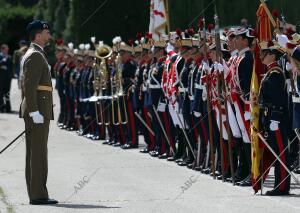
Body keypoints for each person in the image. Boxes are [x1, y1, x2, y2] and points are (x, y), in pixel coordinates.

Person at [19, 20, 58, 205]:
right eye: (46, 32)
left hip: (40, 110)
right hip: (37, 112)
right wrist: (34, 111)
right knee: (38, 153)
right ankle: (38, 195)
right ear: (38, 35)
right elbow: (29, 86)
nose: (49, 35)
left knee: (38, 152)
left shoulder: (37, 53)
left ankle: (38, 192)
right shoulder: (35, 55)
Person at [258, 41, 290, 196]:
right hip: (270, 118)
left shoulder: (275, 74)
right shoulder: (271, 72)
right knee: (277, 152)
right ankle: (280, 183)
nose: (261, 55)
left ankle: (282, 186)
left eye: (264, 52)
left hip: (276, 120)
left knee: (281, 152)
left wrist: (275, 118)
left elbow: (278, 100)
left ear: (272, 55)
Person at [0, 44, 13, 113]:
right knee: (0, 93)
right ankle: (1, 108)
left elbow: (11, 67)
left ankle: (8, 108)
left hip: (8, 79)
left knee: (7, 93)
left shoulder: (9, 57)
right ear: (2, 49)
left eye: (7, 50)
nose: (7, 51)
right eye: (6, 50)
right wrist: (2, 62)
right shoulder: (0, 56)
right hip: (1, 78)